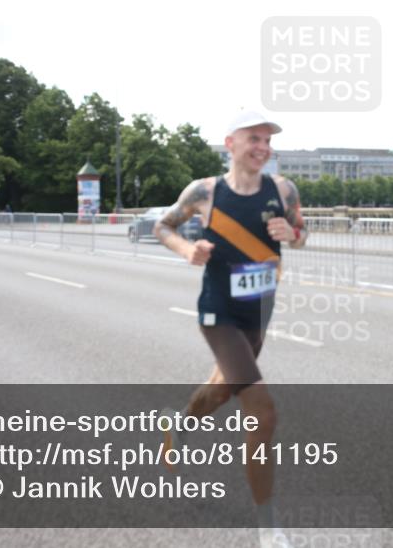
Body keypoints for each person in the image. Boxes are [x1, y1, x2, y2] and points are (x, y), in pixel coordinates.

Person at [154, 110, 306, 548]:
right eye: (253, 138)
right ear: (230, 144)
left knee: (219, 392)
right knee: (262, 411)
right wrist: (186, 249)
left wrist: (292, 233)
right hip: (218, 311)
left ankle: (178, 427)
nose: (263, 147)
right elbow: (163, 225)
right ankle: (268, 527)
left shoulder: (283, 189)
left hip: (258, 310)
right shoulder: (205, 192)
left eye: (267, 140)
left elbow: (302, 232)